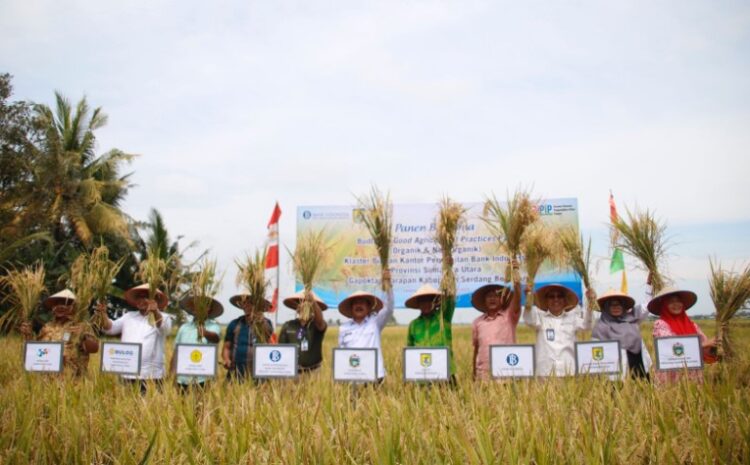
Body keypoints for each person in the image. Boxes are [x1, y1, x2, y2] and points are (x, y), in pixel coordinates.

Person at [97, 283, 172, 393]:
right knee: (127, 406)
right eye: (139, 297)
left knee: (151, 408)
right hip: (127, 372)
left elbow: (164, 329)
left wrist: (155, 312)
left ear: (154, 300)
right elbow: (110, 328)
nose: (142, 300)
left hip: (151, 375)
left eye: (146, 297)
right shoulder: (129, 316)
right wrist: (102, 314)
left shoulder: (163, 317)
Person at [23, 289, 100, 377]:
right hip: (47, 381)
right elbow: (38, 352)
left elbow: (94, 349)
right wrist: (28, 336)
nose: (60, 306)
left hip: (74, 383)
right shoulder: (47, 327)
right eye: (57, 304)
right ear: (53, 307)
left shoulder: (81, 326)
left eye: (65, 303)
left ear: (74, 307)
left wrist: (83, 335)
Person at [523, 283, 595, 377]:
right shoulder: (540, 318)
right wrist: (528, 298)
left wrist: (591, 303)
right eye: (551, 296)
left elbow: (588, 325)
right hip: (545, 374)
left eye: (559, 296)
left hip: (569, 373)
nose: (556, 299)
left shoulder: (573, 318)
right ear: (546, 300)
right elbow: (529, 318)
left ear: (565, 300)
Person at [648, 287, 716, 384]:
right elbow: (671, 345)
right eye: (671, 302)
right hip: (670, 377)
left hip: (692, 377)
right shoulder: (661, 325)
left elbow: (706, 351)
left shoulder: (693, 326)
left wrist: (716, 346)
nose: (676, 304)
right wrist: (704, 345)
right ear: (664, 306)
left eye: (678, 301)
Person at [338, 279, 394, 383]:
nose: (359, 306)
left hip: (375, 377)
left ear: (368, 308)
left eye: (362, 303)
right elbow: (341, 355)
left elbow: (389, 308)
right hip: (353, 379)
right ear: (351, 308)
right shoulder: (343, 328)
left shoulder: (375, 323)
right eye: (355, 303)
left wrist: (388, 285)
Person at [592, 289, 651, 380]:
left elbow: (646, 306)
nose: (616, 307)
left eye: (619, 304)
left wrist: (648, 287)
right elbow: (596, 353)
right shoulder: (600, 328)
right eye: (612, 305)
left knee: (643, 392)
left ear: (624, 306)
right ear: (606, 307)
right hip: (613, 377)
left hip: (639, 371)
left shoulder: (632, 319)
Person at [470, 277, 522, 381]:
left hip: (506, 372)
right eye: (489, 296)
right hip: (484, 375)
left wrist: (517, 284)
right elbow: (476, 349)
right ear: (484, 300)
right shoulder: (477, 322)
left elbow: (517, 299)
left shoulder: (509, 316)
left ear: (502, 300)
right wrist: (474, 374)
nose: (492, 299)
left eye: (496, 296)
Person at [405, 284, 458, 382]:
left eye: (430, 300)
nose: (426, 304)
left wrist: (447, 272)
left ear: (436, 302)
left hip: (445, 372)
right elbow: (410, 352)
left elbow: (450, 297)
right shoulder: (414, 325)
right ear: (418, 304)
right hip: (423, 373)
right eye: (422, 301)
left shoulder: (444, 317)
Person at [171, 295, 223, 392]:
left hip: (203, 379)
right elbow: (176, 352)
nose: (199, 308)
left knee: (202, 405)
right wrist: (172, 375)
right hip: (182, 378)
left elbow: (216, 338)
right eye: (196, 305)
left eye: (203, 305)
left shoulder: (213, 326)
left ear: (209, 309)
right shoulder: (184, 328)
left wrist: (205, 333)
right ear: (192, 308)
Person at [222, 292, 275, 381]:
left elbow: (270, 339)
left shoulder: (266, 323)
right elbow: (226, 347)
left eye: (250, 302)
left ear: (257, 305)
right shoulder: (234, 324)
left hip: (260, 371)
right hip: (236, 371)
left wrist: (258, 318)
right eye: (244, 303)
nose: (247, 305)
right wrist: (227, 360)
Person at [278, 290, 328, 374]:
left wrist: (312, 301)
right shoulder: (288, 326)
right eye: (300, 303)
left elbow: (320, 322)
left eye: (307, 304)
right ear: (296, 307)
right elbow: (281, 350)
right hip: (292, 372)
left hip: (314, 372)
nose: (303, 306)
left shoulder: (316, 325)